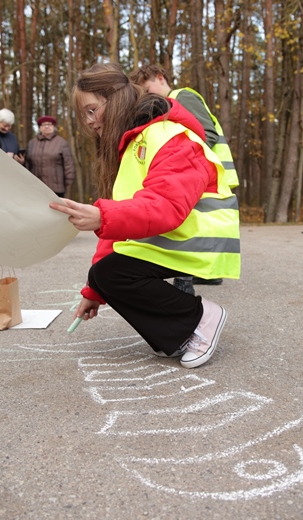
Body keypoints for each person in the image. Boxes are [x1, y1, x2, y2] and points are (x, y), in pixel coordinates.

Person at [48, 62, 241, 369]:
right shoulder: (132, 145)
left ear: (115, 100)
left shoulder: (168, 135)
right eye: (84, 115)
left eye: (92, 110)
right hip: (175, 234)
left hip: (198, 235)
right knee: (105, 273)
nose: (90, 122)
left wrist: (101, 216)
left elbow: (167, 207)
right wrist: (94, 290)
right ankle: (178, 334)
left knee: (114, 273)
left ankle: (202, 316)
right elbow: (117, 232)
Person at [130, 64, 238, 291]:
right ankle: (207, 274)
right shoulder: (168, 106)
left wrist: (183, 157)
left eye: (147, 90)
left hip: (201, 172)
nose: (147, 96)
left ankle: (184, 282)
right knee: (202, 225)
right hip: (203, 172)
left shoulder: (182, 97)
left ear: (160, 77)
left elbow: (206, 133)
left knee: (186, 225)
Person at [20, 115, 75, 197]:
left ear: (53, 127)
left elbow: (68, 164)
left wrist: (68, 182)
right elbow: (28, 164)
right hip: (36, 188)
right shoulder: (32, 143)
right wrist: (22, 163)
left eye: (49, 124)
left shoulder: (61, 143)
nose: (46, 126)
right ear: (40, 128)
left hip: (56, 189)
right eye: (43, 124)